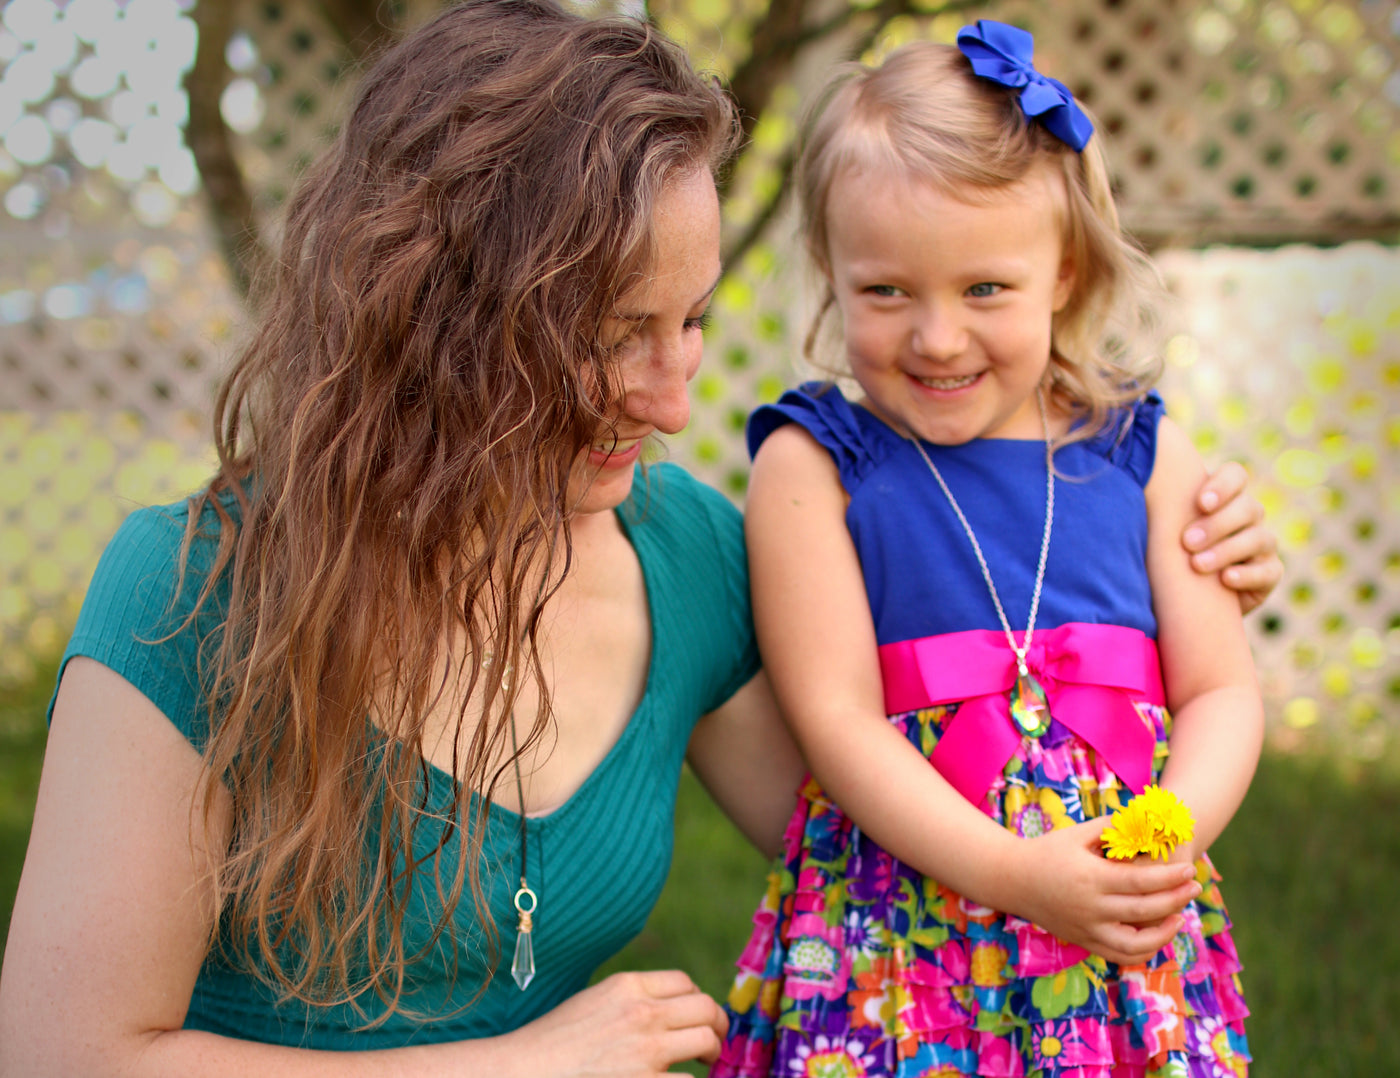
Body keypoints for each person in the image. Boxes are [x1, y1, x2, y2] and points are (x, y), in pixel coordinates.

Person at [0, 5, 1276, 1075]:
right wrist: (513, 1064)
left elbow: (905, 824)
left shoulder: (685, 557)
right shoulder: (193, 591)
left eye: (693, 322)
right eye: (616, 334)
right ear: (438, 315)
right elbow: (70, 1053)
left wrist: (1180, 564)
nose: (673, 400)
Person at [715, 22, 1263, 1078]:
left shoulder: (1138, 451)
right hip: (904, 936)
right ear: (831, 270)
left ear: (1061, 273)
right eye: (885, 291)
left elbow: (1221, 692)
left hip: (1116, 908)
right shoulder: (815, 462)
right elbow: (834, 719)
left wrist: (1160, 843)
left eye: (983, 290)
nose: (935, 337)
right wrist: (1013, 873)